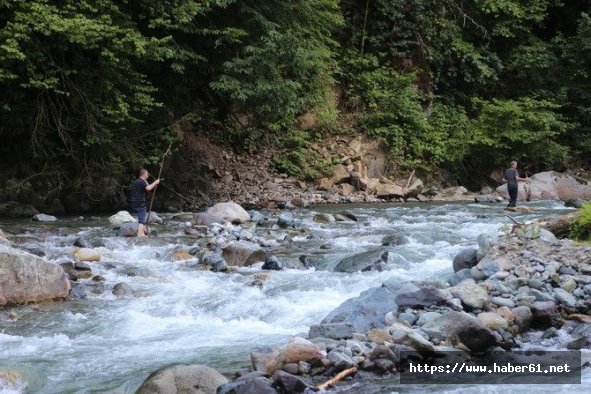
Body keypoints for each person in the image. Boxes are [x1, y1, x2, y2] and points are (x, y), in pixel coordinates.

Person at [130, 168, 160, 236]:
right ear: (144, 174)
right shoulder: (142, 181)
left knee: (141, 218)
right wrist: (156, 182)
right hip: (140, 202)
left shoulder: (136, 181)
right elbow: (148, 188)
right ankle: (140, 235)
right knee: (142, 220)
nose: (148, 175)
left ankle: (142, 232)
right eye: (147, 174)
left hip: (134, 202)